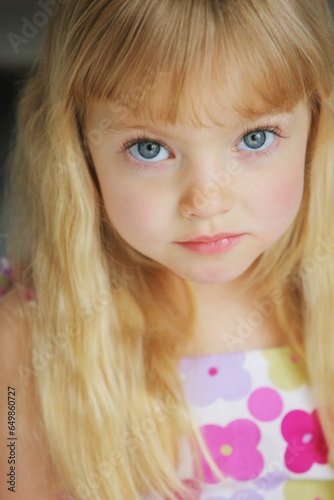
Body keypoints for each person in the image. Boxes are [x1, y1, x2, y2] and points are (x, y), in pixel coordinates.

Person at [1, 0, 334, 498]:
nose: (207, 201)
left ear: (316, 129)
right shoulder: (28, 339)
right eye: (149, 148)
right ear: (79, 149)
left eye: (256, 137)